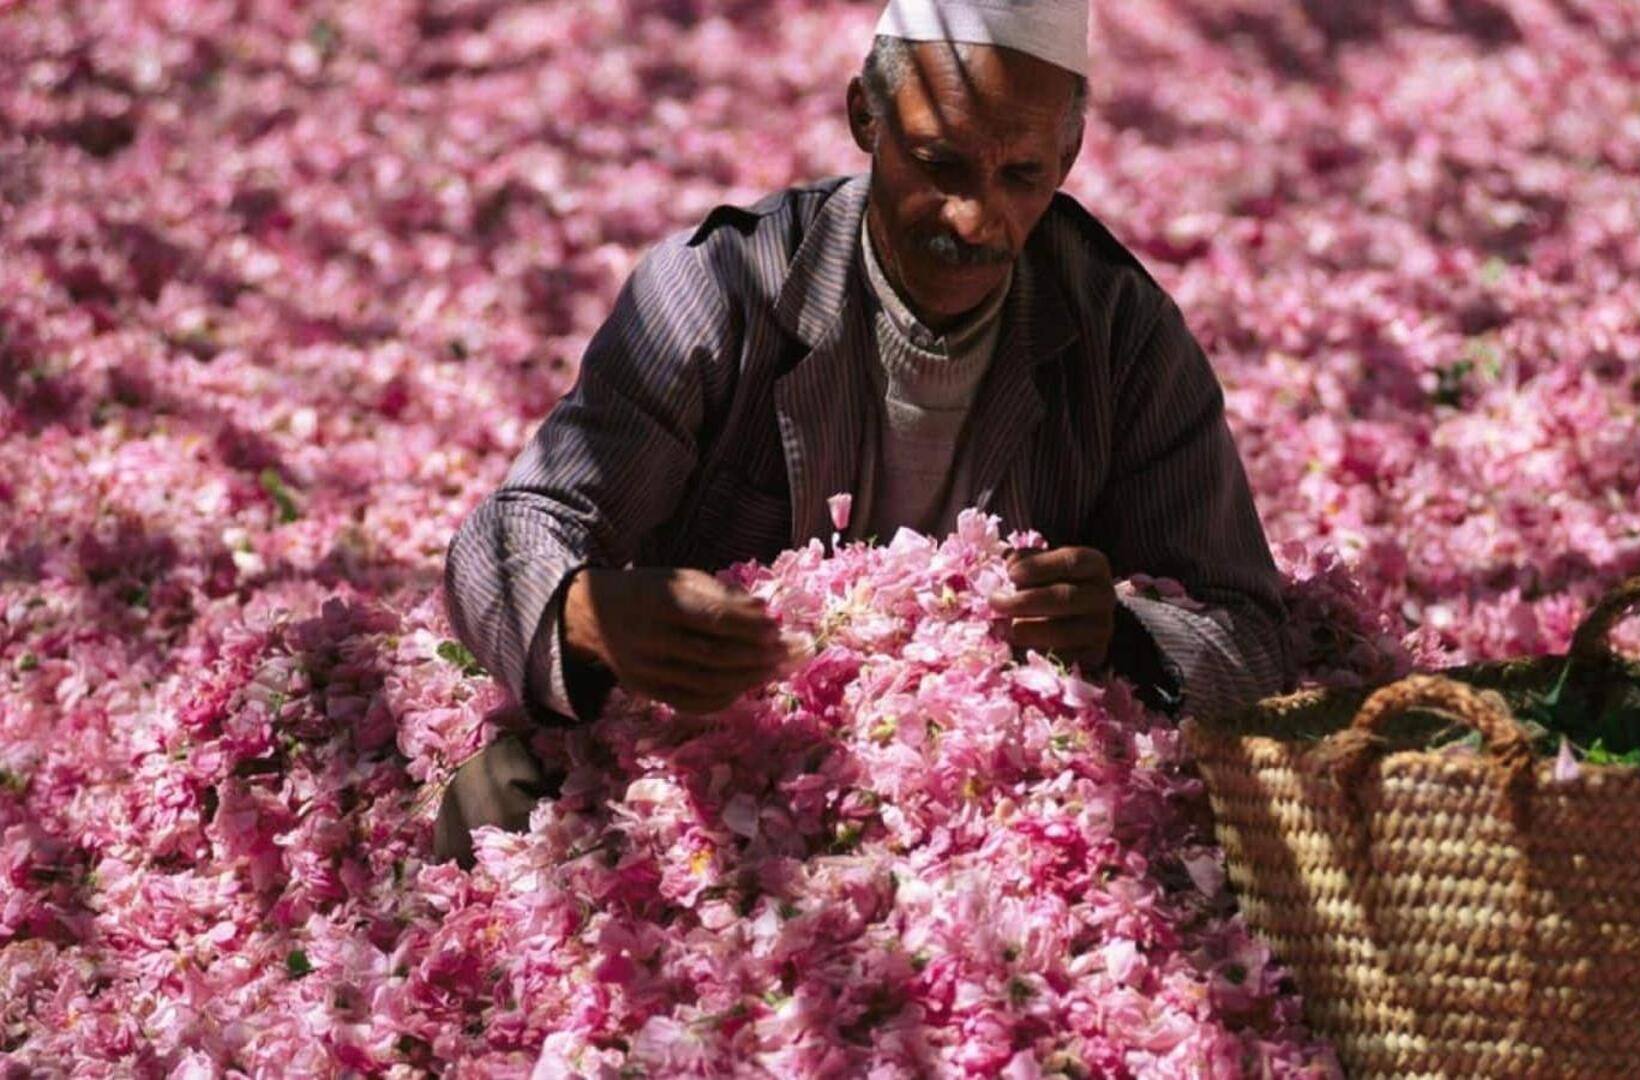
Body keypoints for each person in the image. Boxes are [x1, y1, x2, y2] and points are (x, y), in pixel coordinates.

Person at [434, 0, 1293, 866]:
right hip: (722, 786)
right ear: (863, 116)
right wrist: (589, 614)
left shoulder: (1121, 333)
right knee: (501, 805)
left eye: (1021, 175)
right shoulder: (721, 289)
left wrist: (1120, 632)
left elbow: (1252, 633)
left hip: (995, 818)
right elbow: (504, 535)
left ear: (1067, 158)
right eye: (939, 163)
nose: (973, 219)